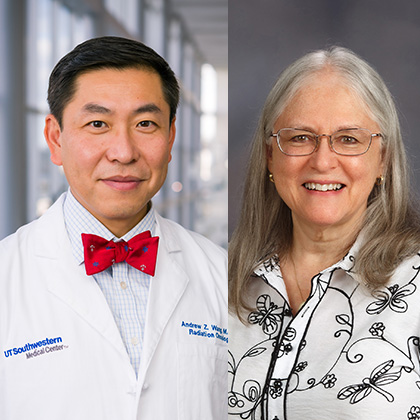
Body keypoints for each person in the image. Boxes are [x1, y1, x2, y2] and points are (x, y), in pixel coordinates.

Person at [0, 36, 227, 419]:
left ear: (171, 138)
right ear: (56, 139)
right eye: (97, 123)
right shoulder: (7, 275)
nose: (123, 151)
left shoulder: (223, 274)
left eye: (145, 123)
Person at [228, 46, 420, 419]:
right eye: (300, 137)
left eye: (349, 139)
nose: (322, 160)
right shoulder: (218, 281)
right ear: (271, 156)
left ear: (383, 159)